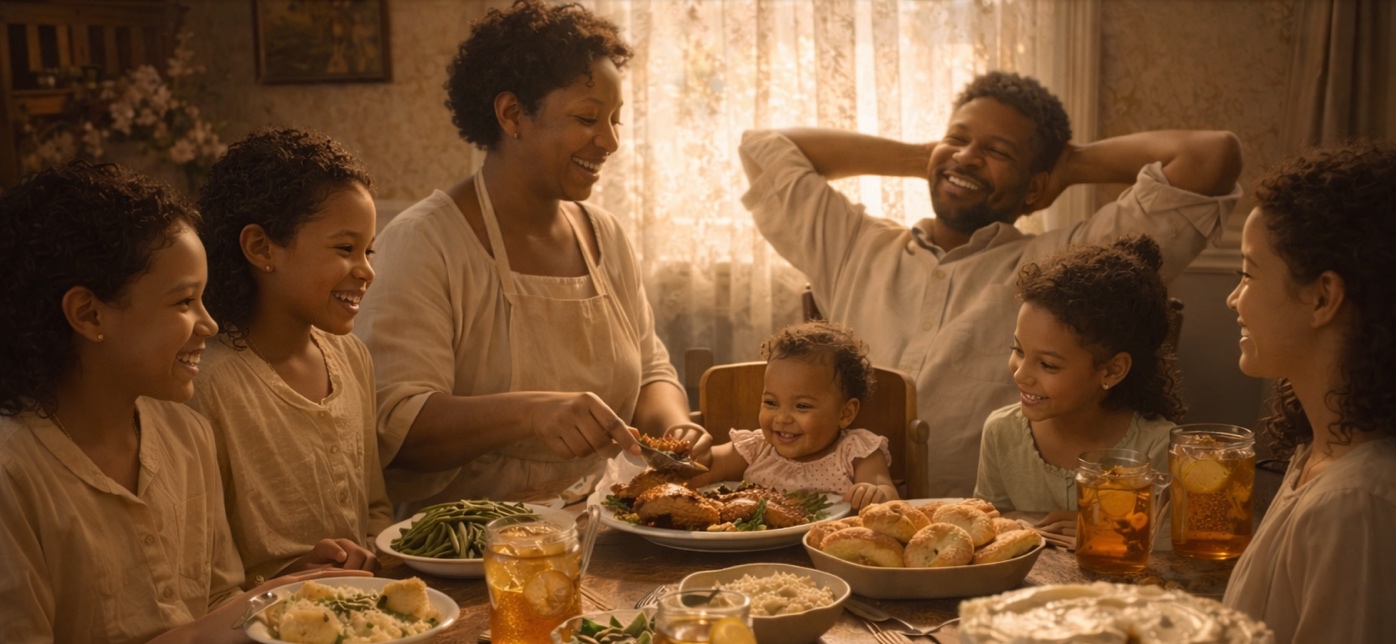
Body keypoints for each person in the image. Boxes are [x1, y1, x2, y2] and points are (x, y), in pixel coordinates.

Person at [0, 161, 364, 644]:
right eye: (184, 302)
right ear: (89, 315)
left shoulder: (186, 435)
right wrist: (197, 639)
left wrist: (284, 586)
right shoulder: (16, 472)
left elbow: (215, 606)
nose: (209, 324)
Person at [739, 70, 1242, 496]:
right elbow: (763, 148)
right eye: (957, 138)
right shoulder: (855, 244)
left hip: (985, 535)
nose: (968, 157)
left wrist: (1062, 170)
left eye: (998, 151)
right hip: (835, 526)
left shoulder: (1059, 273)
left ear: (1036, 185)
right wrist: (935, 158)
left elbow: (1211, 157)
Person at [358, 0, 705, 510]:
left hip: (593, 525)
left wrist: (674, 426)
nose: (609, 141)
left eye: (616, 120)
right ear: (512, 114)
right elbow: (397, 429)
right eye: (588, 118)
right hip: (465, 548)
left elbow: (651, 372)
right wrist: (530, 415)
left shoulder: (605, 237)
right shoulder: (424, 243)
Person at [1221, 141, 1396, 644]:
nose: (1232, 298)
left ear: (1322, 297)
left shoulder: (1357, 503)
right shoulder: (1316, 453)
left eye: (1247, 273)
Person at [192, 128, 392, 583]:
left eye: (368, 250)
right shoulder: (207, 384)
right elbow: (204, 570)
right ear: (261, 248)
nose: (366, 271)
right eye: (345, 248)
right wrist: (288, 577)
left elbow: (375, 507)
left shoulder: (351, 357)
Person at [974, 234, 1184, 513]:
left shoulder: (1158, 449)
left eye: (1048, 364)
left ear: (1112, 369)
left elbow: (1170, 549)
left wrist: (1099, 531)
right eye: (1019, 350)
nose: (1020, 374)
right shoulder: (1001, 433)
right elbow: (990, 530)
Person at [690, 321, 896, 511]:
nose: (782, 418)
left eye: (802, 406)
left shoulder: (857, 451)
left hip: (827, 547)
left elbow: (887, 496)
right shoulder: (756, 448)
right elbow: (705, 468)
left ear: (845, 413)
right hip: (754, 547)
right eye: (771, 403)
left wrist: (874, 494)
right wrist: (690, 454)